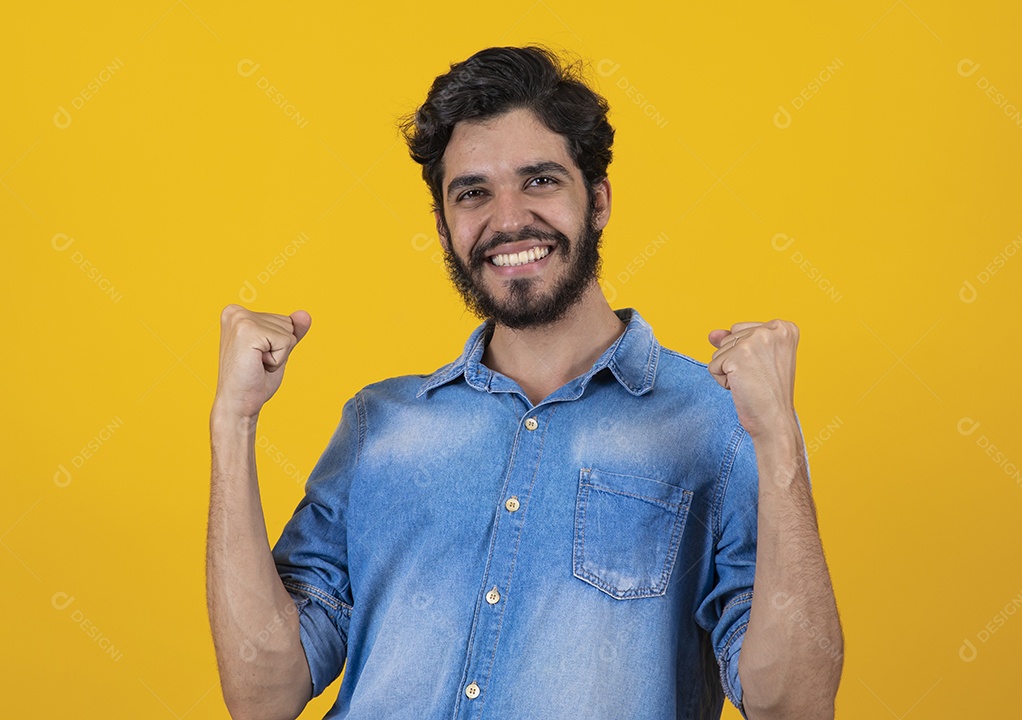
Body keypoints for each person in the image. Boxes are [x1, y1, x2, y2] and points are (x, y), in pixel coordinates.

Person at [207, 46, 843, 720]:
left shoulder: (718, 425)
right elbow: (264, 695)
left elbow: (794, 705)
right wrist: (234, 421)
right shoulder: (379, 426)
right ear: (445, 226)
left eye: (539, 180)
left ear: (596, 201)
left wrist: (778, 441)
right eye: (473, 191)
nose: (507, 219)